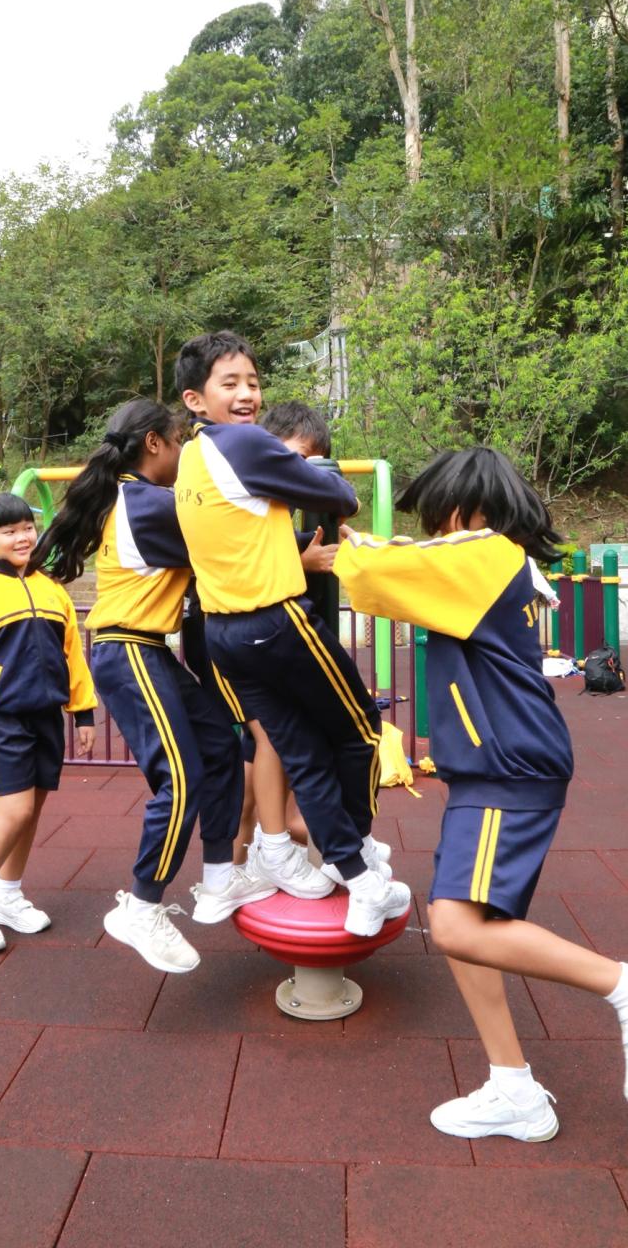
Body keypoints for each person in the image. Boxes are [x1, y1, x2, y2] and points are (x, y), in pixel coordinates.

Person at [335, 445, 628, 1140]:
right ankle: (513, 1088)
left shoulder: (486, 553)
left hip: (507, 768)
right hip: (495, 765)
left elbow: (376, 572)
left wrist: (335, 550)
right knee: (471, 928)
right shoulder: (502, 562)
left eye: (440, 515)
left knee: (456, 926)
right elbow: (408, 562)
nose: (435, 531)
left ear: (470, 508)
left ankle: (619, 985)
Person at [174, 330, 411, 937]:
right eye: (230, 383)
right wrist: (304, 478)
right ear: (196, 398)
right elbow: (340, 495)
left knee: (302, 752)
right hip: (276, 623)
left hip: (223, 634)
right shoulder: (246, 443)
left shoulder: (192, 458)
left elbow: (244, 531)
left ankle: (357, 880)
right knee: (361, 733)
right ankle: (357, 852)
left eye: (252, 382)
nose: (247, 394)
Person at [30, 398, 276, 975]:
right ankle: (141, 907)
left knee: (219, 745)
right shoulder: (148, 503)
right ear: (154, 444)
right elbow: (230, 544)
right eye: (181, 439)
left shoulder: (134, 499)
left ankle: (219, 875)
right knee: (180, 778)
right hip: (127, 650)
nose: (186, 450)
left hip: (147, 650)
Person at [0, 493, 97, 954]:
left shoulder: (52, 590)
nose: (22, 537)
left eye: (27, 527)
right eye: (8, 531)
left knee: (32, 812)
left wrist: (83, 713)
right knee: (13, 813)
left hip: (45, 717)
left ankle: (7, 896)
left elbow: (73, 655)